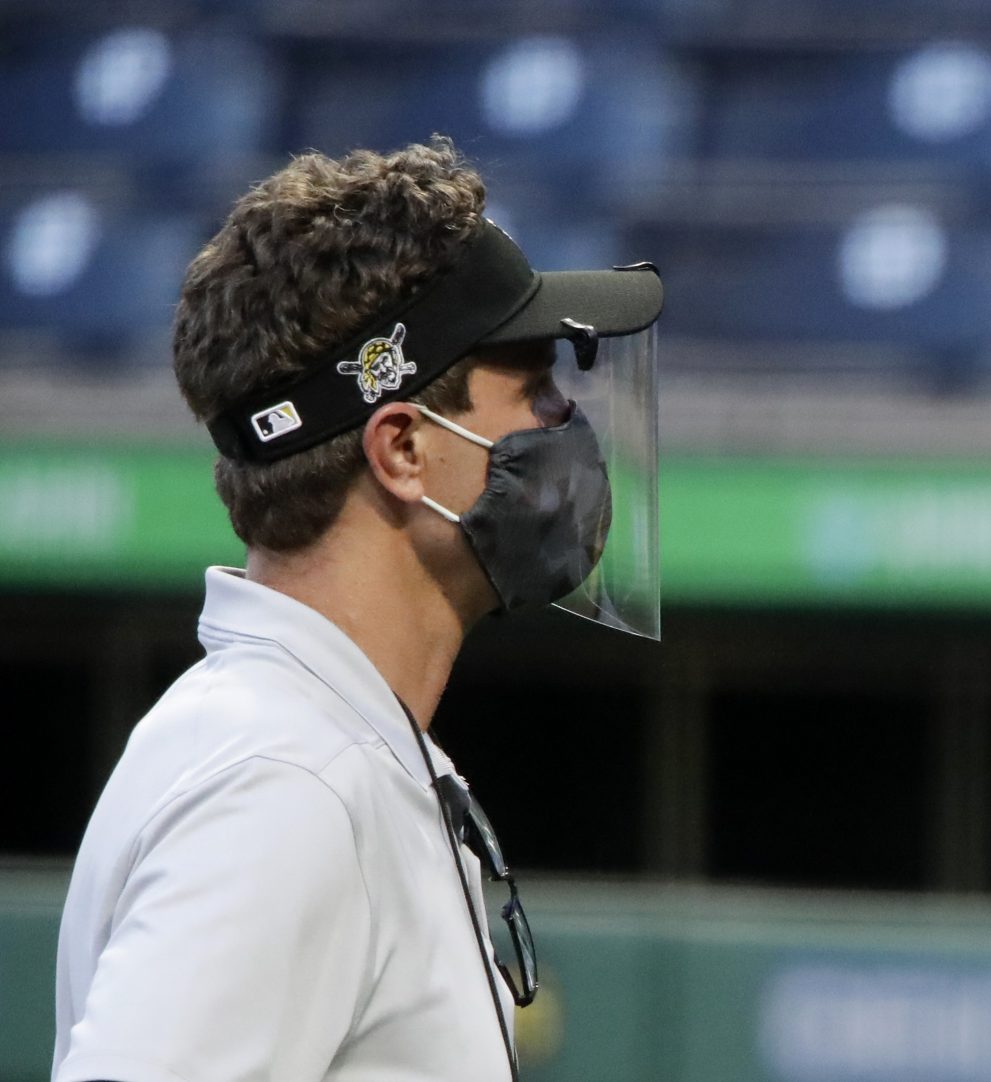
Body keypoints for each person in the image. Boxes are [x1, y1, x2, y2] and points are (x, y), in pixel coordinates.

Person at [52, 139, 662, 1082]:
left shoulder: (310, 739)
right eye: (535, 390)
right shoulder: (287, 781)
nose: (563, 425)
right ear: (403, 451)